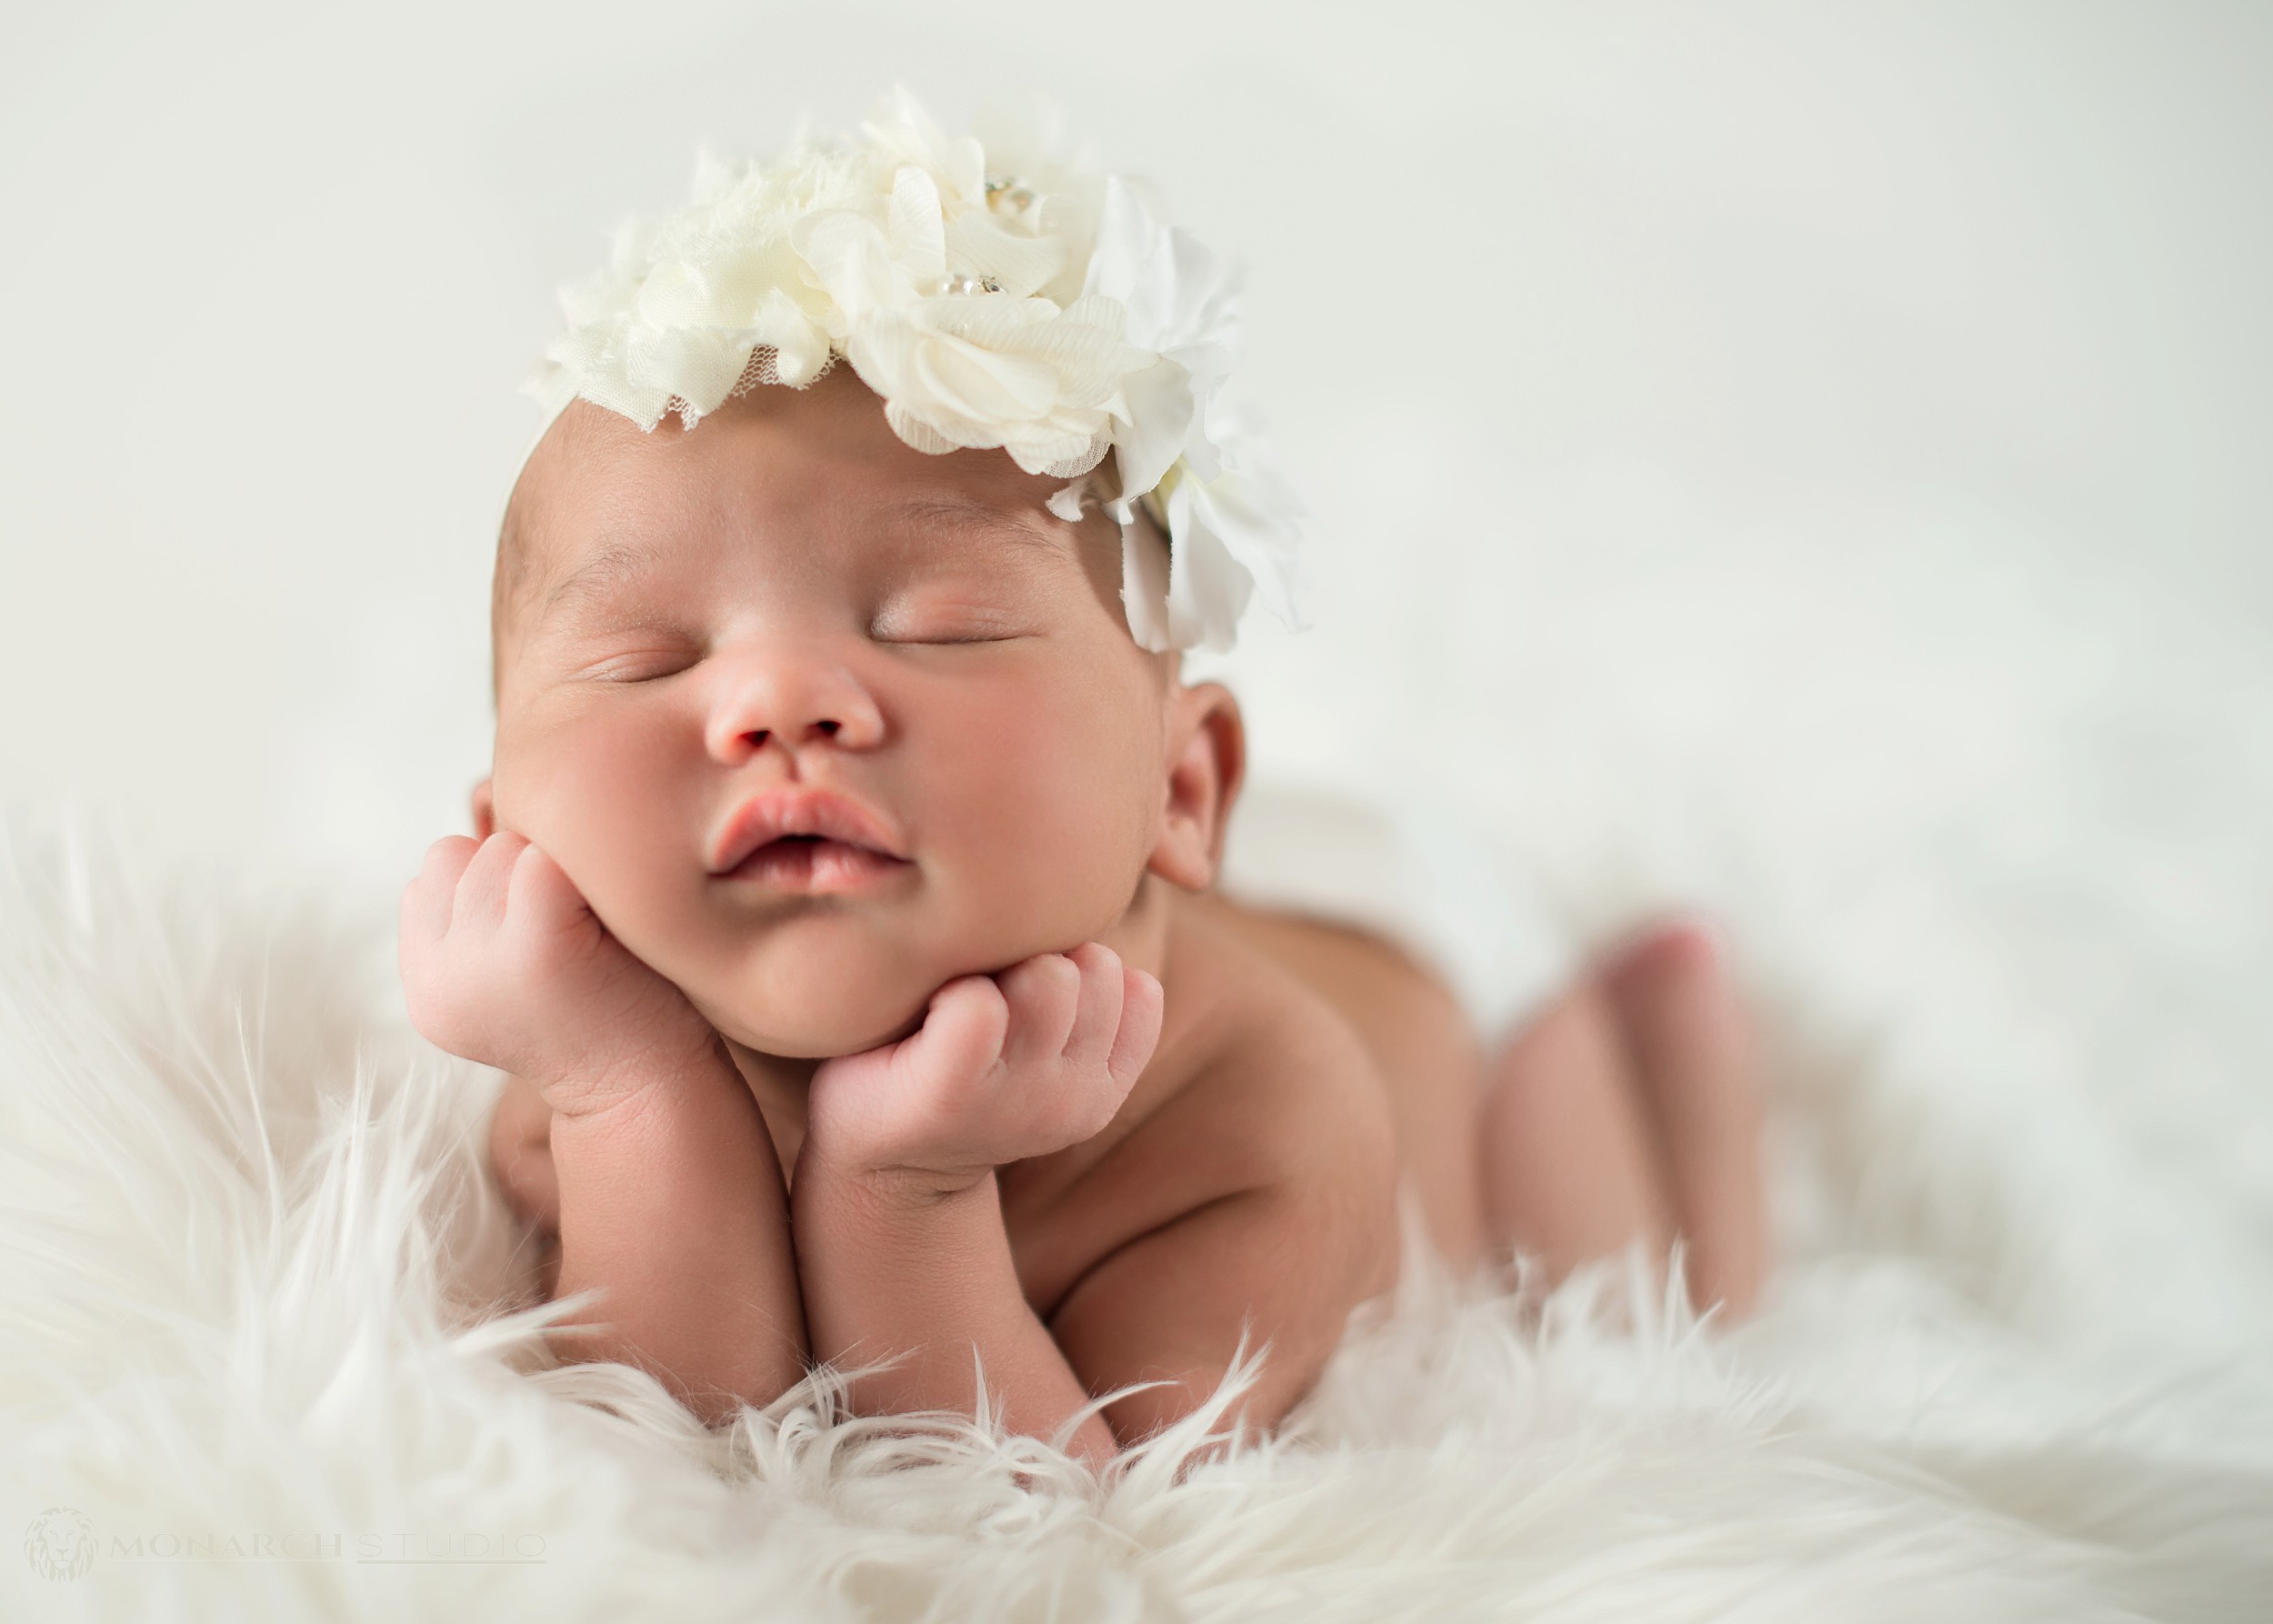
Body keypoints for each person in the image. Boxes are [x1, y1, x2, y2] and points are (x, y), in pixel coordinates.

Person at [398, 94, 1764, 1461]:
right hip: (1148, 869)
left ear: (1181, 789)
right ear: (503, 835)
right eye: (649, 659)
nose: (776, 702)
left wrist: (906, 1195)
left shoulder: (1261, 1114)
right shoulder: (578, 1040)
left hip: (1442, 958)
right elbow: (677, 1434)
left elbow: (1064, 1515)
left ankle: (1674, 1028)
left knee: (1657, 1308)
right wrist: (630, 1086)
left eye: (937, 626)